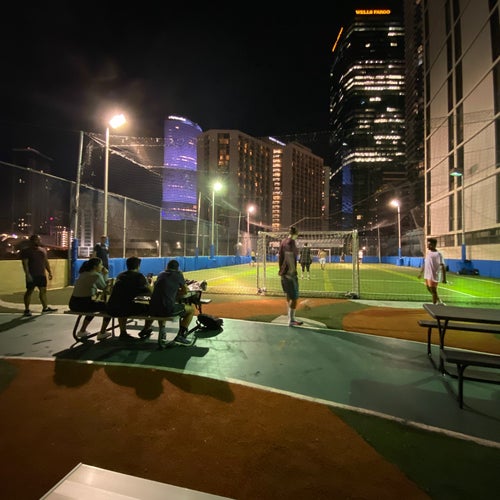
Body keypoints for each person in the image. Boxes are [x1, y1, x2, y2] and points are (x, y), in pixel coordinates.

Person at [149, 259, 196, 346]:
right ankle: (180, 336)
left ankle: (162, 331)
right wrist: (177, 292)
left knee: (161, 305)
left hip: (152, 309)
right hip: (166, 309)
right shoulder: (178, 274)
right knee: (191, 310)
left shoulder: (161, 274)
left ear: (167, 267)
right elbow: (185, 291)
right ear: (177, 268)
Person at [106, 256, 154, 341]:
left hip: (113, 307)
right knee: (154, 308)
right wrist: (151, 283)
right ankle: (145, 329)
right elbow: (150, 291)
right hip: (129, 308)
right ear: (138, 266)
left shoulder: (120, 275)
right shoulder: (139, 276)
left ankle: (123, 332)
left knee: (122, 302)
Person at [68, 257, 111, 340]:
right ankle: (102, 332)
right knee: (109, 307)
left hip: (73, 304)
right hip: (84, 304)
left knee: (93, 307)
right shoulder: (96, 275)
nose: (102, 267)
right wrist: (105, 274)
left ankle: (82, 330)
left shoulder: (83, 274)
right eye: (101, 265)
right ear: (95, 266)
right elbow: (105, 289)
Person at [20, 234, 57, 317]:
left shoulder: (43, 250)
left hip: (41, 275)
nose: (39, 241)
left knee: (43, 291)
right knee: (29, 291)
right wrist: (27, 275)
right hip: (32, 275)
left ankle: (45, 308)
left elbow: (45, 262)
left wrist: (49, 272)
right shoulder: (26, 251)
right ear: (32, 241)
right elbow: (25, 264)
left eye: (39, 240)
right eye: (37, 240)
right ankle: (27, 310)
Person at [278, 226, 303, 327]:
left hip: (283, 273)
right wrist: (292, 272)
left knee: (288, 295)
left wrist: (282, 271)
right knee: (295, 298)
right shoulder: (291, 242)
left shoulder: (283, 242)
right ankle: (291, 320)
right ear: (295, 233)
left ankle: (289, 316)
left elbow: (281, 257)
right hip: (290, 274)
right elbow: (289, 257)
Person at [418, 237, 447, 305]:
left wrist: (444, 278)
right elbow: (425, 263)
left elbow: (443, 266)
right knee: (428, 288)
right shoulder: (428, 253)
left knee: (433, 291)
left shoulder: (438, 254)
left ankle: (435, 305)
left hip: (433, 275)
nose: (427, 246)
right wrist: (421, 273)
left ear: (433, 245)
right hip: (427, 274)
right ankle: (439, 301)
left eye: (429, 244)